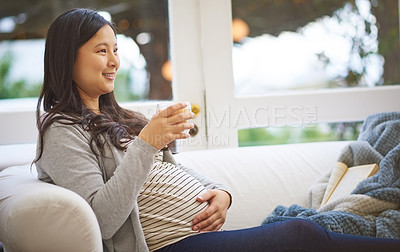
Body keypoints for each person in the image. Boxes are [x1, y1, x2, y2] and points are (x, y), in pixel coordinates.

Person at [35, 8, 400, 252]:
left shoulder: (119, 116)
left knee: (305, 232)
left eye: (115, 49)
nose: (114, 61)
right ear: (69, 57)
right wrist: (147, 142)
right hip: (166, 246)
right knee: (301, 234)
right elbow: (100, 221)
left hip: (198, 237)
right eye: (102, 50)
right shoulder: (61, 131)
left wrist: (220, 192)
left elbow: (169, 173)